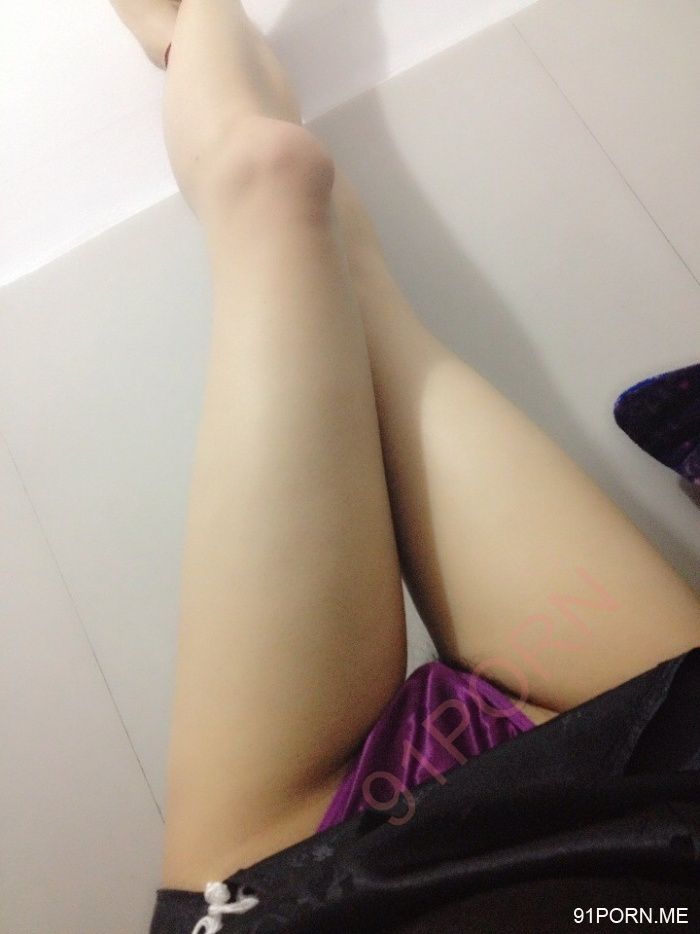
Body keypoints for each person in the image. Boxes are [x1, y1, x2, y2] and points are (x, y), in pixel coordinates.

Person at [107, 3, 700, 931]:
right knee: (301, 197)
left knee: (268, 180)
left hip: (309, 880)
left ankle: (184, 32)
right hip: (650, 769)